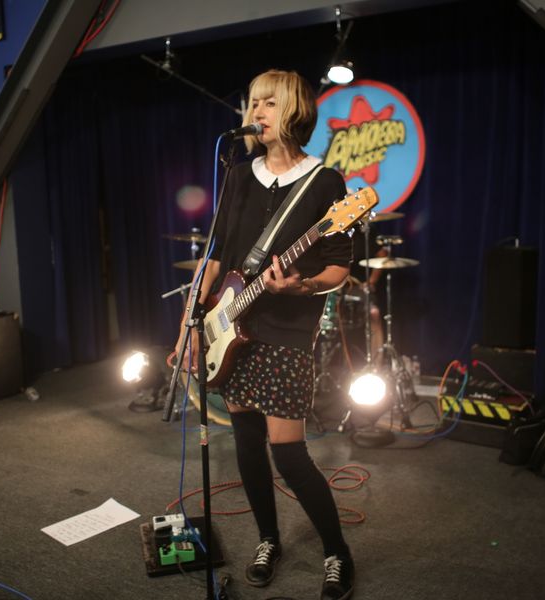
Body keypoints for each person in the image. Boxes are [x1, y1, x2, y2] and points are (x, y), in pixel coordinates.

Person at [170, 70, 355, 599]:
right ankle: (268, 539)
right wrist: (190, 322)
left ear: (294, 110)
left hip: (287, 331)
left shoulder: (325, 182)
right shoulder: (237, 174)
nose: (256, 112)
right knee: (247, 446)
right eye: (253, 103)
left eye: (269, 103)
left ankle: (337, 553)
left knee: (289, 454)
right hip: (231, 327)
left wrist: (301, 286)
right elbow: (216, 258)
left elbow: (340, 268)